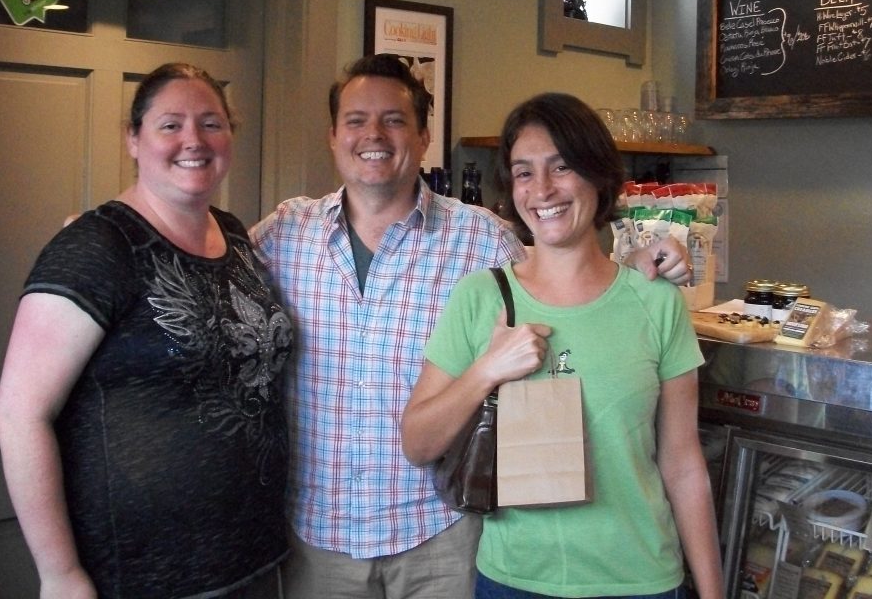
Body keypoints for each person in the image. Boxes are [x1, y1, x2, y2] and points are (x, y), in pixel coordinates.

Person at [251, 54, 692, 599]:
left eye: (394, 119)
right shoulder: (283, 235)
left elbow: (560, 275)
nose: (374, 135)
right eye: (356, 120)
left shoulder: (480, 238)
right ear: (333, 135)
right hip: (319, 536)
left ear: (423, 136)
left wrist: (636, 270)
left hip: (443, 533)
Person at [401, 92, 724, 599]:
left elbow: (683, 463)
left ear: (598, 175)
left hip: (641, 580)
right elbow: (418, 442)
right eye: (524, 172)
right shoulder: (482, 297)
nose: (543, 189)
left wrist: (711, 591)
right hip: (514, 581)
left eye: (562, 166)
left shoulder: (655, 302)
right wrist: (487, 369)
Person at [0, 63, 292, 599]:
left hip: (251, 558)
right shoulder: (96, 248)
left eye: (211, 123)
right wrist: (60, 575)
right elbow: (19, 413)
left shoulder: (234, 234)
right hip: (143, 575)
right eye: (170, 125)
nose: (193, 141)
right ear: (134, 139)